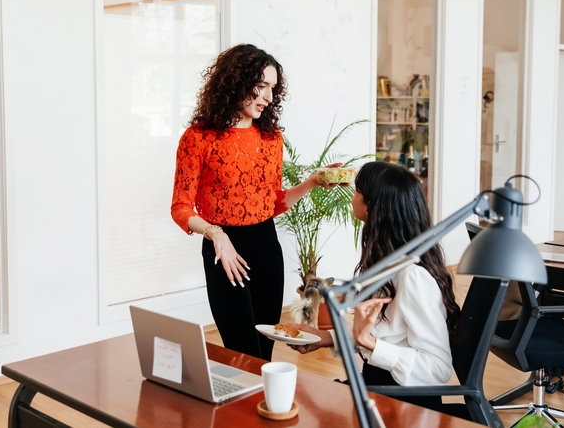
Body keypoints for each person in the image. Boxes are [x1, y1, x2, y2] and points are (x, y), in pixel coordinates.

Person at [171, 44, 340, 361]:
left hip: (266, 248)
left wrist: (313, 182)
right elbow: (180, 207)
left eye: (273, 88)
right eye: (261, 85)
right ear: (236, 81)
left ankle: (261, 395)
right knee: (242, 352)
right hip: (224, 252)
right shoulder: (197, 138)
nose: (269, 97)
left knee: (264, 352)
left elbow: (271, 203)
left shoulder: (271, 138)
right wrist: (216, 234)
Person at [289, 161, 462, 411]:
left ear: (371, 206)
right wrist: (325, 338)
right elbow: (388, 335)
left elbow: (438, 369)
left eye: (357, 191)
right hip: (375, 387)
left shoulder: (413, 277)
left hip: (403, 405)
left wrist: (368, 342)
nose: (352, 198)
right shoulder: (386, 263)